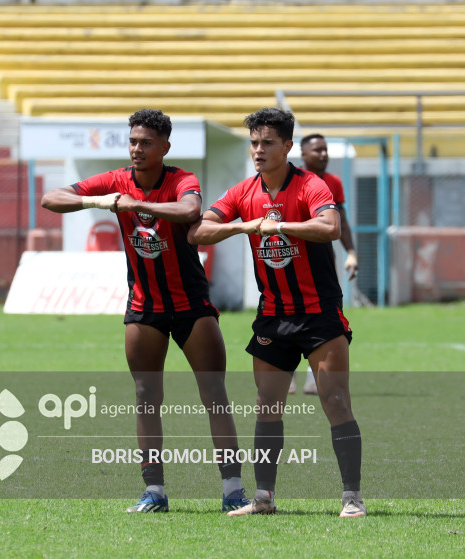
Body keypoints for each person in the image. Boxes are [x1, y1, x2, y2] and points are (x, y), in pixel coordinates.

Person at [41, 109, 249, 514]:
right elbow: (52, 198)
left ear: (164, 147)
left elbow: (189, 211)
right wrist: (96, 200)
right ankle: (154, 491)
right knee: (145, 397)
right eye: (133, 141)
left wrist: (136, 205)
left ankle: (232, 490)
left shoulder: (181, 179)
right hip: (144, 307)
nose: (137, 149)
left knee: (214, 396)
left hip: (191, 307)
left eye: (146, 143)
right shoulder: (116, 181)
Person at [189, 107, 365, 518]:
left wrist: (280, 226)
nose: (258, 150)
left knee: (335, 400)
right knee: (267, 405)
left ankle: (352, 497)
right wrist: (244, 227)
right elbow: (197, 231)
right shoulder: (242, 192)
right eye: (253, 142)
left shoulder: (311, 184)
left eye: (268, 143)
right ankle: (264, 498)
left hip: (319, 314)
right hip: (273, 315)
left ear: (288, 146)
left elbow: (330, 228)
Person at [290, 133, 359, 395]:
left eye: (326, 149)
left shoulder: (333, 182)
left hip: (323, 266)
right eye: (317, 150)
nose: (323, 154)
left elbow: (342, 220)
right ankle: (286, 373)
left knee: (326, 316)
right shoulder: (290, 181)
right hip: (293, 263)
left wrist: (351, 252)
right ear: (303, 154)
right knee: (287, 314)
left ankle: (313, 376)